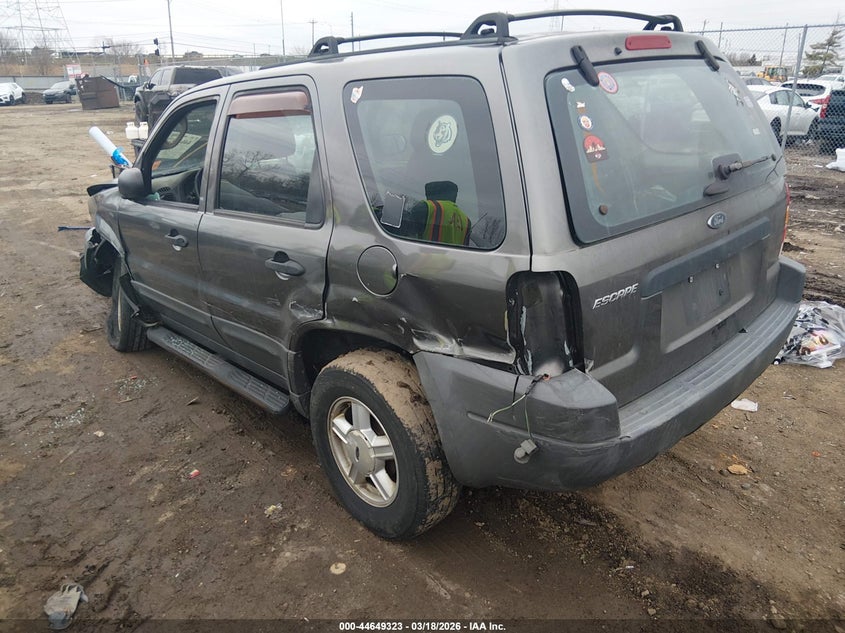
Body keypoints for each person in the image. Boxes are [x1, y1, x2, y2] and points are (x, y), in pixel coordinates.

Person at [402, 180, 471, 246]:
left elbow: (405, 238)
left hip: (425, 256)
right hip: (454, 258)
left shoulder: (426, 208)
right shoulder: (466, 220)